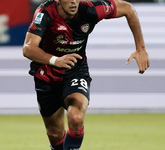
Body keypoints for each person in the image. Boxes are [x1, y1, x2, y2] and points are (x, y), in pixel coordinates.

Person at [23, 0, 149, 149]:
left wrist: (140, 48)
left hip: (75, 72)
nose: (73, 2)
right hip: (46, 75)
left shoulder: (90, 10)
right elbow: (28, 48)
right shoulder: (45, 13)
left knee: (76, 117)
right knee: (54, 133)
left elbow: (128, 8)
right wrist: (56, 60)